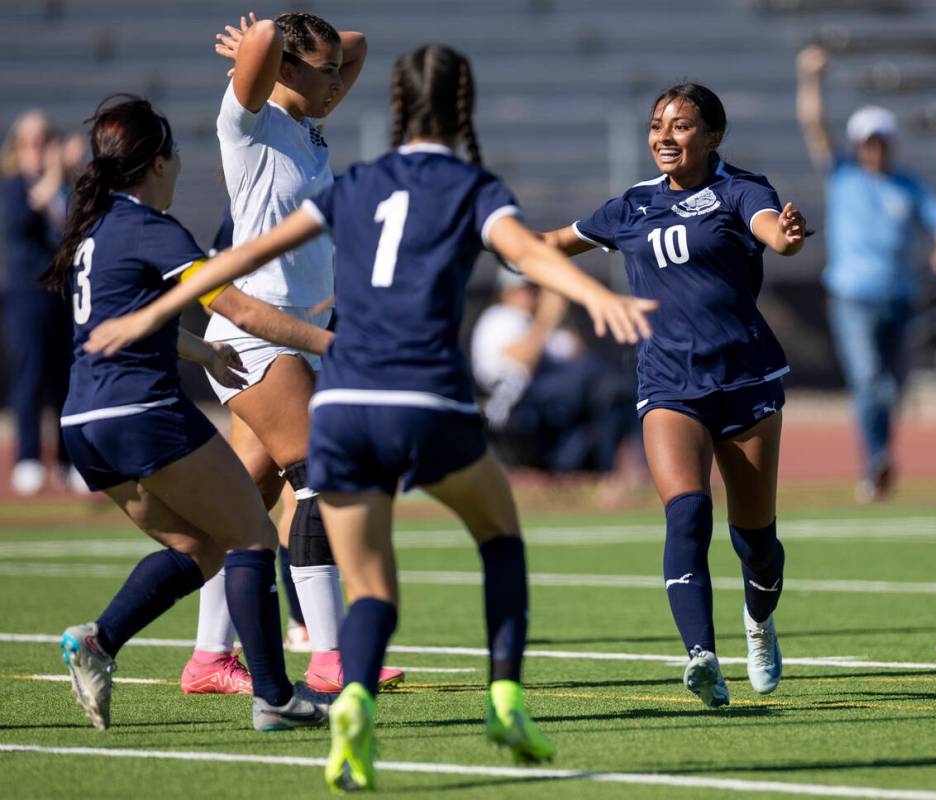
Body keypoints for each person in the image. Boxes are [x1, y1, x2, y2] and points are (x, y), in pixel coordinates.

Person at [84, 45, 655, 792]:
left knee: (328, 560)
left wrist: (155, 313)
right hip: (420, 397)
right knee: (499, 536)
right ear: (461, 111)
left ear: (391, 109)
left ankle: (329, 686)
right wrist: (594, 295)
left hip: (345, 400)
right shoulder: (469, 184)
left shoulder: (353, 181)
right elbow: (524, 255)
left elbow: (235, 258)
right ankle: (496, 695)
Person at [40, 96, 334, 732]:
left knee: (199, 547)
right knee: (253, 534)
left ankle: (99, 641)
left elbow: (116, 321)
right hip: (142, 411)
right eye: (174, 156)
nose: (179, 170)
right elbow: (243, 309)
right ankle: (277, 698)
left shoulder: (91, 228)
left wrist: (197, 348)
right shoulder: (153, 227)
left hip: (83, 425)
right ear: (155, 162)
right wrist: (335, 345)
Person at [543, 83, 810, 709]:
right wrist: (477, 242)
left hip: (745, 381)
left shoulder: (743, 190)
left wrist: (789, 238)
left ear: (712, 137)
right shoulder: (631, 206)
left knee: (756, 541)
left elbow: (774, 232)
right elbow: (550, 245)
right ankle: (702, 656)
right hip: (668, 384)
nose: (665, 136)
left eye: (682, 126)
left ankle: (759, 624)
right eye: (657, 125)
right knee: (687, 512)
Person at [183, 10, 402, 695]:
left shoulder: (309, 126)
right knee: (322, 474)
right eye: (324, 69)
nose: (339, 80)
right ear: (285, 68)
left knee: (246, 500)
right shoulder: (248, 126)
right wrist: (267, 40)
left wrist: (309, 54)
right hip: (254, 331)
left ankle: (206, 656)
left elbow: (357, 45)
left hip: (296, 330)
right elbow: (268, 45)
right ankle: (330, 652)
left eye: (338, 71)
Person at [796, 45, 936, 502]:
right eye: (868, 140)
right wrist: (811, 79)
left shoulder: (908, 185)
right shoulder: (843, 174)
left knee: (894, 388)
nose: (874, 148)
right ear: (858, 144)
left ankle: (881, 457)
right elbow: (814, 125)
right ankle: (874, 463)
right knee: (869, 381)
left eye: (881, 140)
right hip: (853, 296)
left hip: (901, 297)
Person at [471, 271, 638, 476]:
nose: (532, 296)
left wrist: (560, 314)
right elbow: (523, 361)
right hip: (515, 404)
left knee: (612, 387)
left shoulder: (538, 325)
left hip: (554, 404)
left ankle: (608, 471)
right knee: (602, 383)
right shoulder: (501, 317)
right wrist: (547, 317)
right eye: (524, 290)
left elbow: (577, 356)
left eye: (535, 290)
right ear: (506, 292)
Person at [0, 111, 81, 494]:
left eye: (43, 139)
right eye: (29, 141)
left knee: (66, 377)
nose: (37, 147)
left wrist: (66, 178)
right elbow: (19, 223)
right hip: (26, 294)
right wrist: (52, 176)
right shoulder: (14, 184)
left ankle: (68, 460)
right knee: (29, 374)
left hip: (62, 294)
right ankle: (28, 458)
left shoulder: (65, 187)